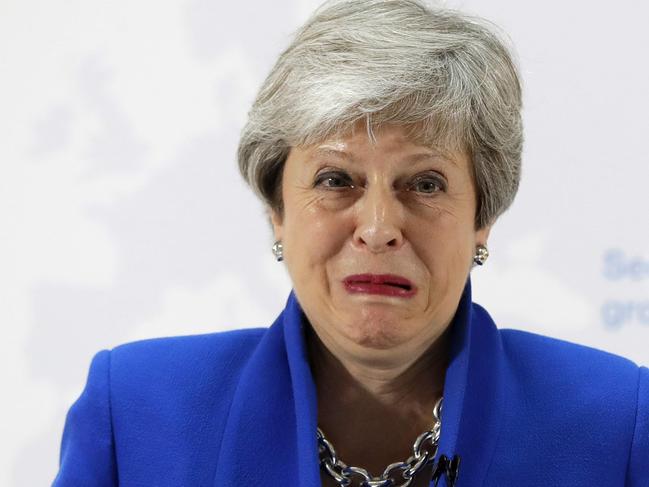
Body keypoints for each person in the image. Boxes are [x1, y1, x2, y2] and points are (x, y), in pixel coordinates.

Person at [53, 0, 648, 486]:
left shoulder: (618, 421)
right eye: (336, 180)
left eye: (425, 183)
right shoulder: (134, 413)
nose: (379, 226)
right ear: (277, 213)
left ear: (481, 218)